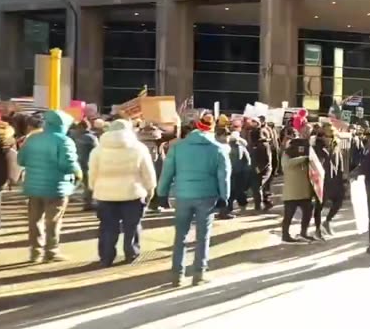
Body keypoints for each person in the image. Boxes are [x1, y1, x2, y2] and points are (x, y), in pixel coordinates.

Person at [156, 114, 230, 286]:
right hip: (207, 195)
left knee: (180, 236)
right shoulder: (218, 149)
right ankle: (199, 274)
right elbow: (224, 176)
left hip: (183, 195)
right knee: (203, 236)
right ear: (212, 129)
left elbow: (167, 173)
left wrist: (162, 194)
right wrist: (224, 197)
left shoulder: (178, 147)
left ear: (196, 127)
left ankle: (177, 276)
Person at [88, 119, 157, 267]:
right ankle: (131, 252)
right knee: (132, 226)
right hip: (133, 193)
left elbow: (92, 173)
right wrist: (150, 189)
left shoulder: (98, 150)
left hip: (105, 195)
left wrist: (94, 188)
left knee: (107, 227)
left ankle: (106, 257)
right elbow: (148, 172)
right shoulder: (139, 148)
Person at [18, 110, 83, 262]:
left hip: (33, 186)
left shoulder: (32, 139)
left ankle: (35, 252)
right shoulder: (64, 141)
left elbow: (21, 160)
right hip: (56, 186)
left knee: (34, 220)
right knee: (53, 220)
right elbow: (67, 165)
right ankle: (51, 251)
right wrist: (78, 174)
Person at [281, 137, 318, 243]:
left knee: (307, 213)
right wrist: (303, 158)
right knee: (288, 215)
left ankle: (304, 232)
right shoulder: (286, 155)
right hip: (291, 192)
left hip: (305, 191)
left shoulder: (308, 157)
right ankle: (285, 235)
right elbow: (287, 165)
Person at [315, 127, 347, 236]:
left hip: (335, 179)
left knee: (339, 201)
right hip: (322, 180)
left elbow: (340, 161)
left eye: (331, 136)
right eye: (327, 136)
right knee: (319, 205)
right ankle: (318, 228)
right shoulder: (317, 147)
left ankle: (327, 221)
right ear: (322, 136)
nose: (329, 139)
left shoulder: (336, 146)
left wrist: (342, 177)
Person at [71, 119, 100, 210]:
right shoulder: (91, 137)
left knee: (83, 183)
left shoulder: (74, 136)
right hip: (88, 163)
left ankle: (84, 201)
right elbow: (97, 150)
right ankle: (89, 203)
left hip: (77, 162)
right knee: (89, 184)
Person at [248, 123, 275, 212]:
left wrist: (258, 169)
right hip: (258, 168)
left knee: (258, 187)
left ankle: (259, 206)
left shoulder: (263, 145)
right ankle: (264, 203)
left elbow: (267, 160)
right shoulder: (256, 145)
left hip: (263, 170)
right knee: (259, 187)